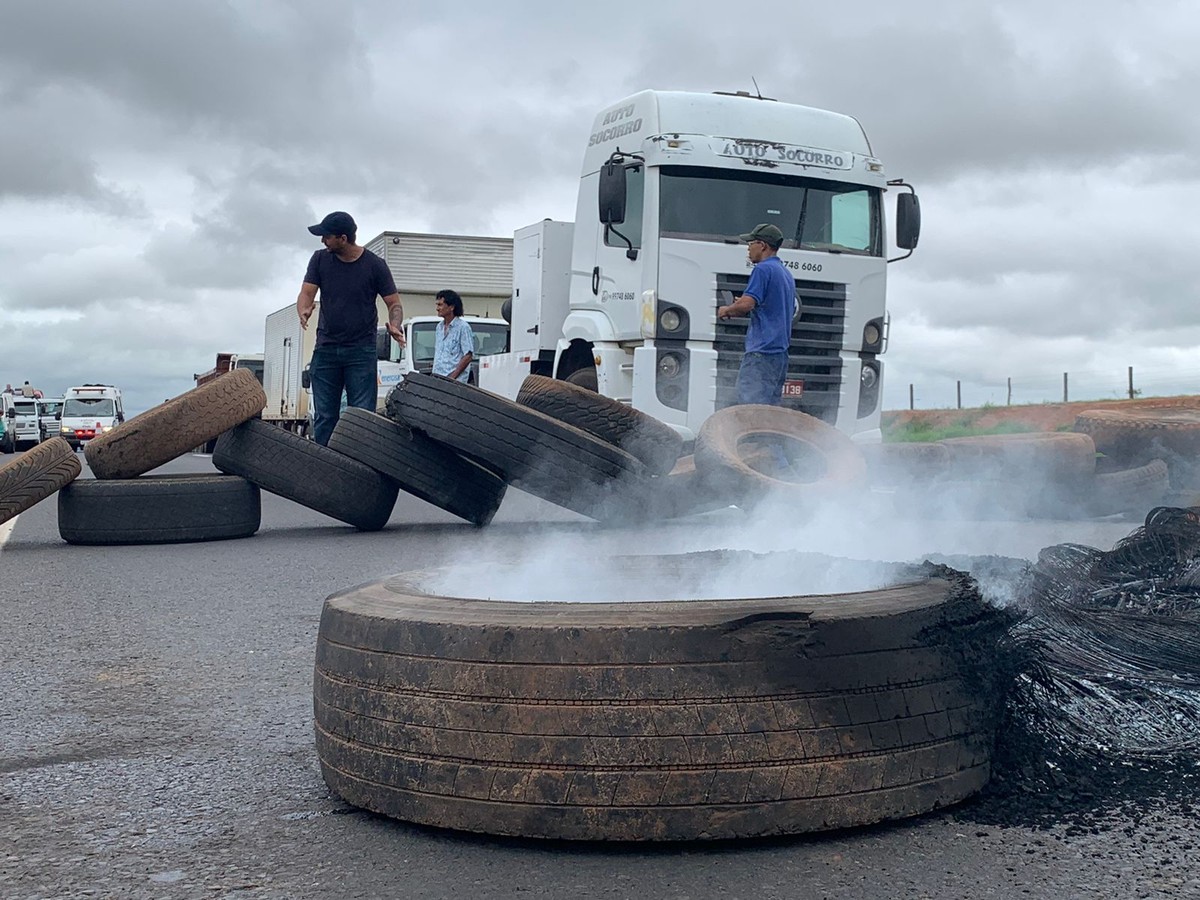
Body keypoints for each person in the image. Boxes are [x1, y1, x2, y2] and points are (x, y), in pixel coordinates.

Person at [297, 211, 404, 445]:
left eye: (326, 236)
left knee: (361, 415)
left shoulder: (375, 266)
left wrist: (395, 325)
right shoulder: (319, 259)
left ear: (343, 239)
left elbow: (394, 303)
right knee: (325, 415)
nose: (322, 241)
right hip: (326, 348)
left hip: (361, 350)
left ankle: (360, 466)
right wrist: (304, 309)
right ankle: (324, 464)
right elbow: (307, 292)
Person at [716, 223, 795, 405]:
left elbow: (747, 304)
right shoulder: (785, 273)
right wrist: (744, 303)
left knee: (750, 410)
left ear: (763, 245)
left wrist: (727, 310)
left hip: (761, 353)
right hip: (780, 356)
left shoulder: (762, 269)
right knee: (769, 413)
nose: (748, 249)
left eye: (751, 243)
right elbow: (774, 307)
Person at [431, 289, 475, 383]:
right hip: (438, 379)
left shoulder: (463, 327)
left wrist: (452, 377)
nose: (437, 308)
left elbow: (468, 355)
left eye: (440, 305)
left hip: (454, 382)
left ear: (451, 307)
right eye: (437, 305)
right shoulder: (439, 327)